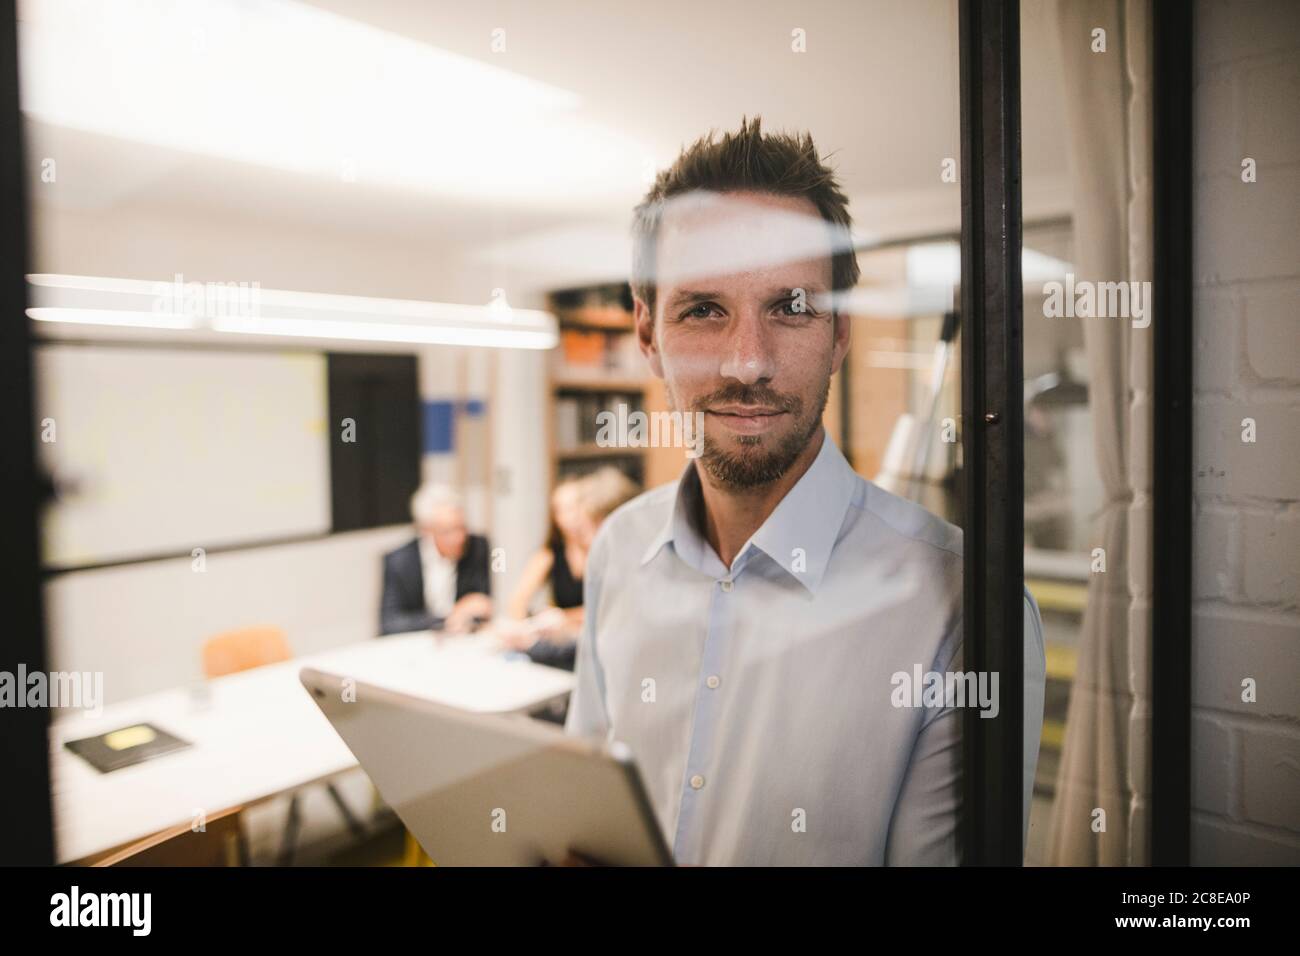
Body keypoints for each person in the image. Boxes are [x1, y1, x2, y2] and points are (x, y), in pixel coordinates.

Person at [563, 117, 1045, 865]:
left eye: (791, 308)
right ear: (648, 335)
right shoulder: (619, 551)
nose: (748, 363)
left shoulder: (960, 608)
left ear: (841, 334)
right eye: (703, 310)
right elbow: (588, 820)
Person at [499, 467, 639, 671]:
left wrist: (562, 617)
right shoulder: (553, 553)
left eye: (574, 509)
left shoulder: (624, 562)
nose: (570, 519)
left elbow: (610, 613)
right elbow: (518, 600)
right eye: (560, 510)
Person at [379, 484, 492, 635]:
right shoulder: (399, 561)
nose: (459, 538)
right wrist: (447, 618)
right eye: (448, 531)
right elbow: (390, 623)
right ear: (426, 531)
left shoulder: (478, 548)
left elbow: (482, 605)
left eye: (462, 527)